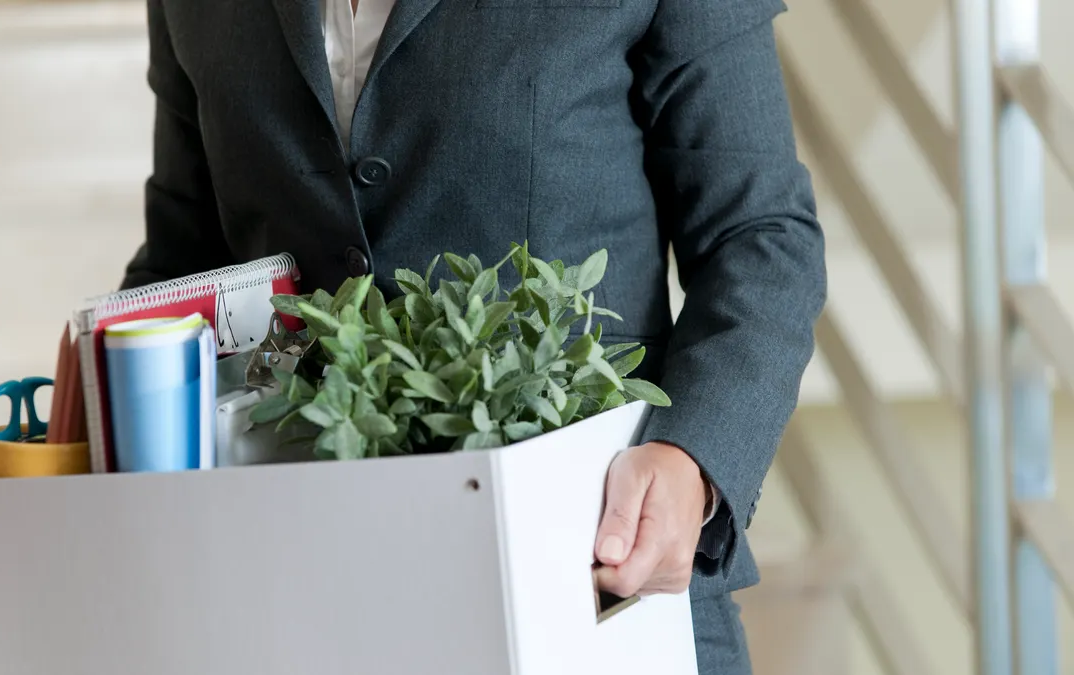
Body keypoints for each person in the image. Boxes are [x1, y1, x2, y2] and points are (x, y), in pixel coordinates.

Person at [121, 0, 827, 670]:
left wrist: (692, 459)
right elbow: (185, 263)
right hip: (303, 598)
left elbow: (759, 234)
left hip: (597, 587)